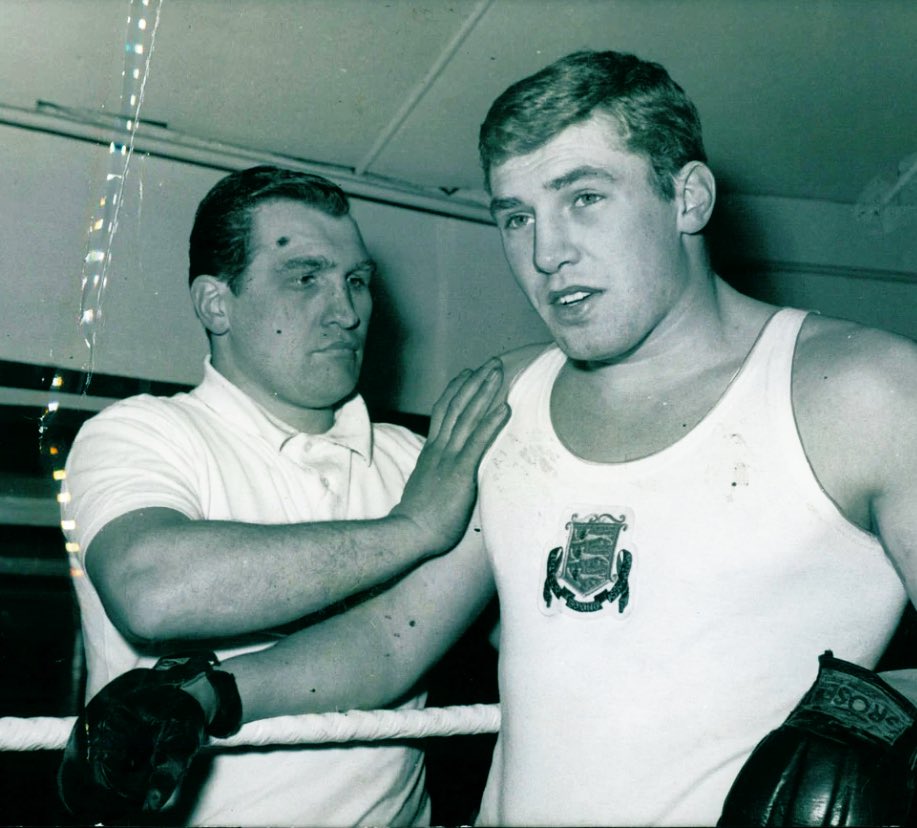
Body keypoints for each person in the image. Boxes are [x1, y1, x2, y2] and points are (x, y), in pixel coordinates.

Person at [63, 51, 917, 825]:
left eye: (584, 198)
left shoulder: (864, 391)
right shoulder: (503, 398)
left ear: (686, 197)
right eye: (515, 217)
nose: (547, 252)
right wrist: (210, 693)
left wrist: (885, 722)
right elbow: (392, 636)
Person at [58, 164, 509, 826]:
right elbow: (153, 591)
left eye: (356, 281)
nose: (348, 310)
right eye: (306, 278)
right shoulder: (144, 432)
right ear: (217, 303)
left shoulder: (420, 462)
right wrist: (411, 528)